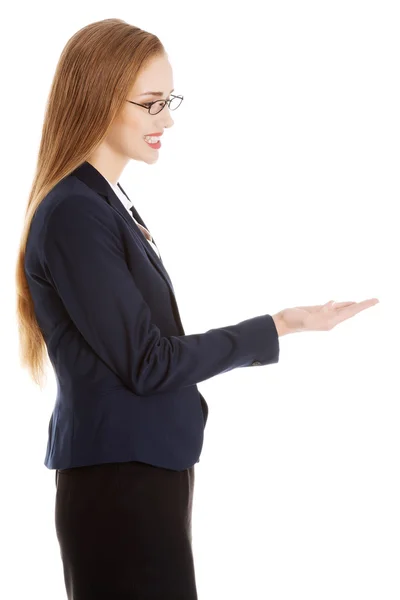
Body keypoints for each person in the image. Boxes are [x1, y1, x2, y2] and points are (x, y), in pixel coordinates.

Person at [15, 17, 379, 600]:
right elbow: (148, 362)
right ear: (99, 99)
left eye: (169, 101)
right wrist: (280, 325)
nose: (168, 120)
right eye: (152, 104)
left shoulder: (104, 203)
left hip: (140, 473)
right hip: (119, 483)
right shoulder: (76, 213)